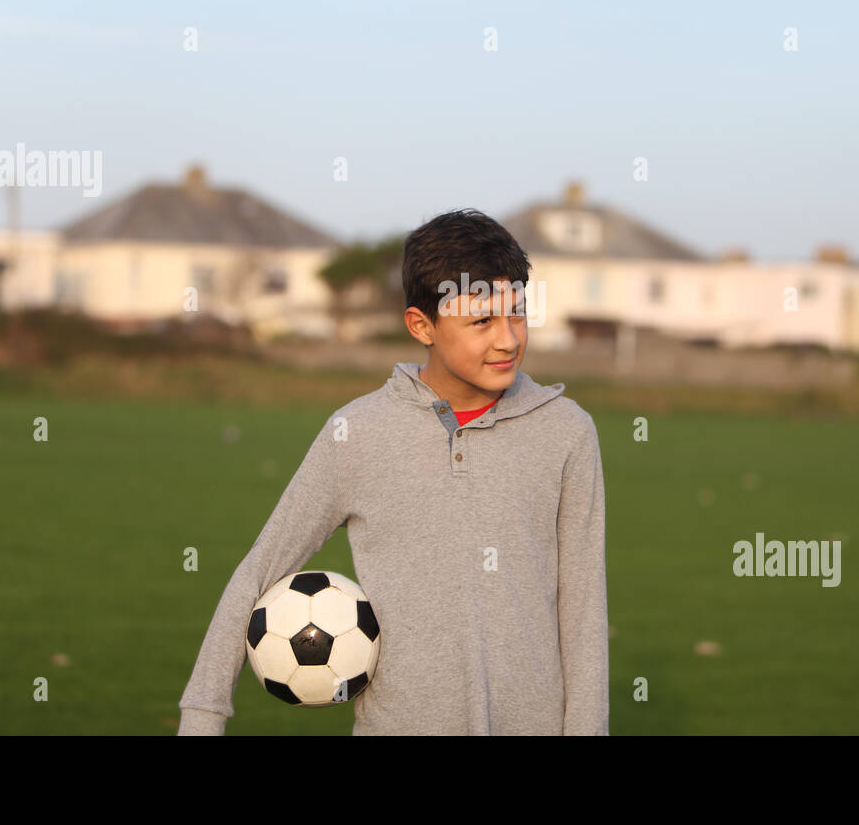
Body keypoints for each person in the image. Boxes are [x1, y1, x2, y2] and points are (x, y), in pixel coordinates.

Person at [177, 208, 608, 734]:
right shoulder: (356, 433)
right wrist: (202, 714)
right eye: (481, 322)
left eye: (517, 314)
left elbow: (583, 608)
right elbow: (259, 570)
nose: (508, 339)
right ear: (421, 325)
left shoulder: (566, 431)